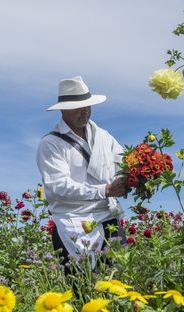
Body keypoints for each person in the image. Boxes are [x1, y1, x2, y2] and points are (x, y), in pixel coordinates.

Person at [36, 76, 129, 274]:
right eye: (77, 106)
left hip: (109, 219)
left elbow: (124, 162)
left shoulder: (103, 136)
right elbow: (58, 187)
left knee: (121, 289)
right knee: (85, 294)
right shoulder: (51, 144)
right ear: (63, 109)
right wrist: (104, 190)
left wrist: (137, 175)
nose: (84, 110)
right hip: (74, 225)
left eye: (87, 105)